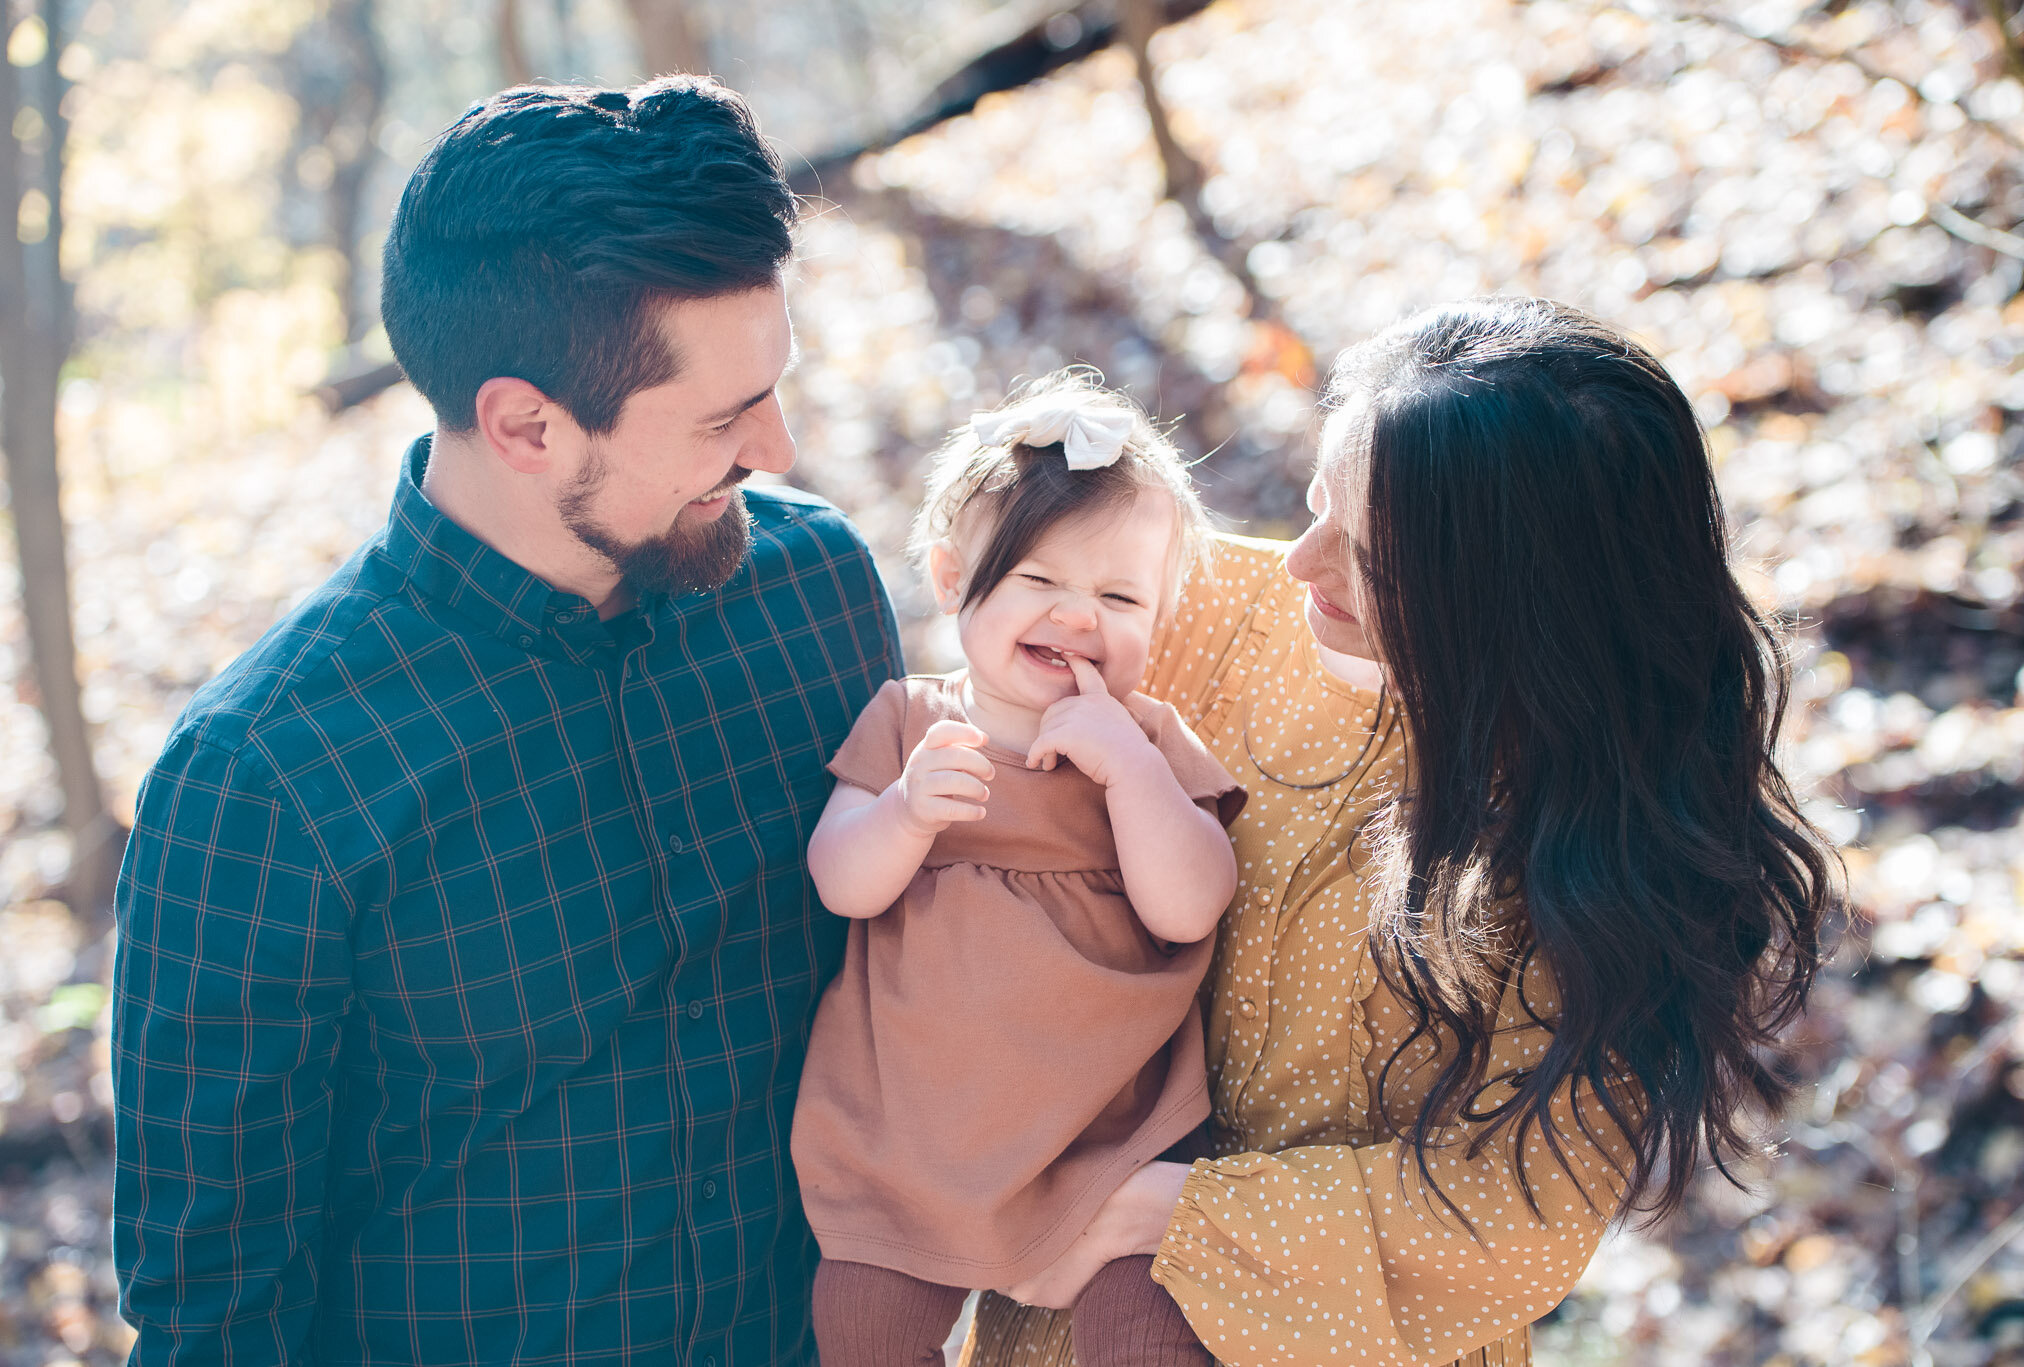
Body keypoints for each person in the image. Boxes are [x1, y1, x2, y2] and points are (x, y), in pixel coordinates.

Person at [110, 78, 902, 1367]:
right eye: (722, 418)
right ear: (525, 425)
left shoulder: (812, 594)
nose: (783, 446)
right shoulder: (264, 780)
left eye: (773, 387)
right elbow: (217, 1315)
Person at [967, 297, 1837, 1366]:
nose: (1297, 562)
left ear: (1506, 605)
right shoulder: (1173, 609)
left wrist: (1169, 1212)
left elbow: (1515, 1210)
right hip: (1050, 1295)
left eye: (1367, 556)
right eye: (1313, 498)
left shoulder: (1590, 836)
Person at [792, 374, 1243, 1367]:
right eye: (1039, 581)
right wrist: (905, 813)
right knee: (860, 1331)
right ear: (954, 580)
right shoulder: (908, 721)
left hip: (1106, 1142)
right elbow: (840, 880)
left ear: (1160, 616)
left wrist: (1127, 771)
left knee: (1151, 1330)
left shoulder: (1149, 743)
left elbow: (1191, 904)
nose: (1079, 617)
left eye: (1120, 596)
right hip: (908, 1142)